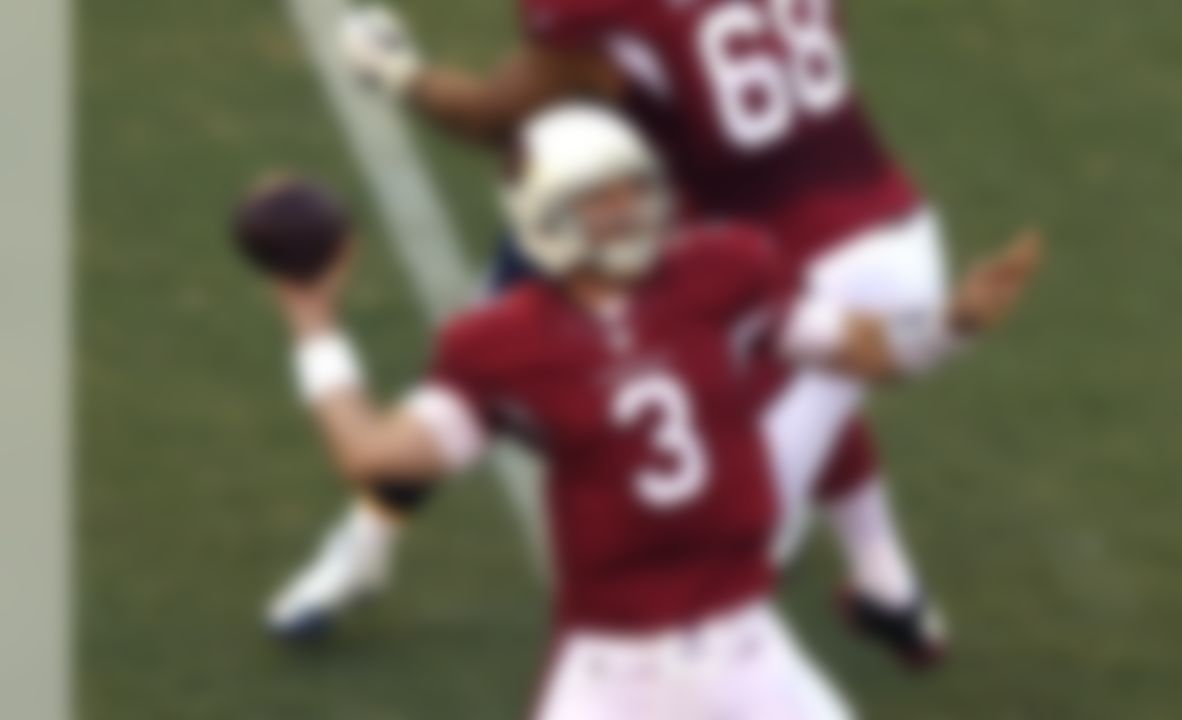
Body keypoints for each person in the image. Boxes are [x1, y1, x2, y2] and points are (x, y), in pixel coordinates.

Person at [270, 3, 1041, 668]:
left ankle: (849, 596)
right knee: (783, 368)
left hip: (763, 234)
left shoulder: (612, 43)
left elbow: (492, 114)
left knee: (708, 538)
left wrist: (398, 72)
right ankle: (886, 583)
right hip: (858, 222)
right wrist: (949, 325)